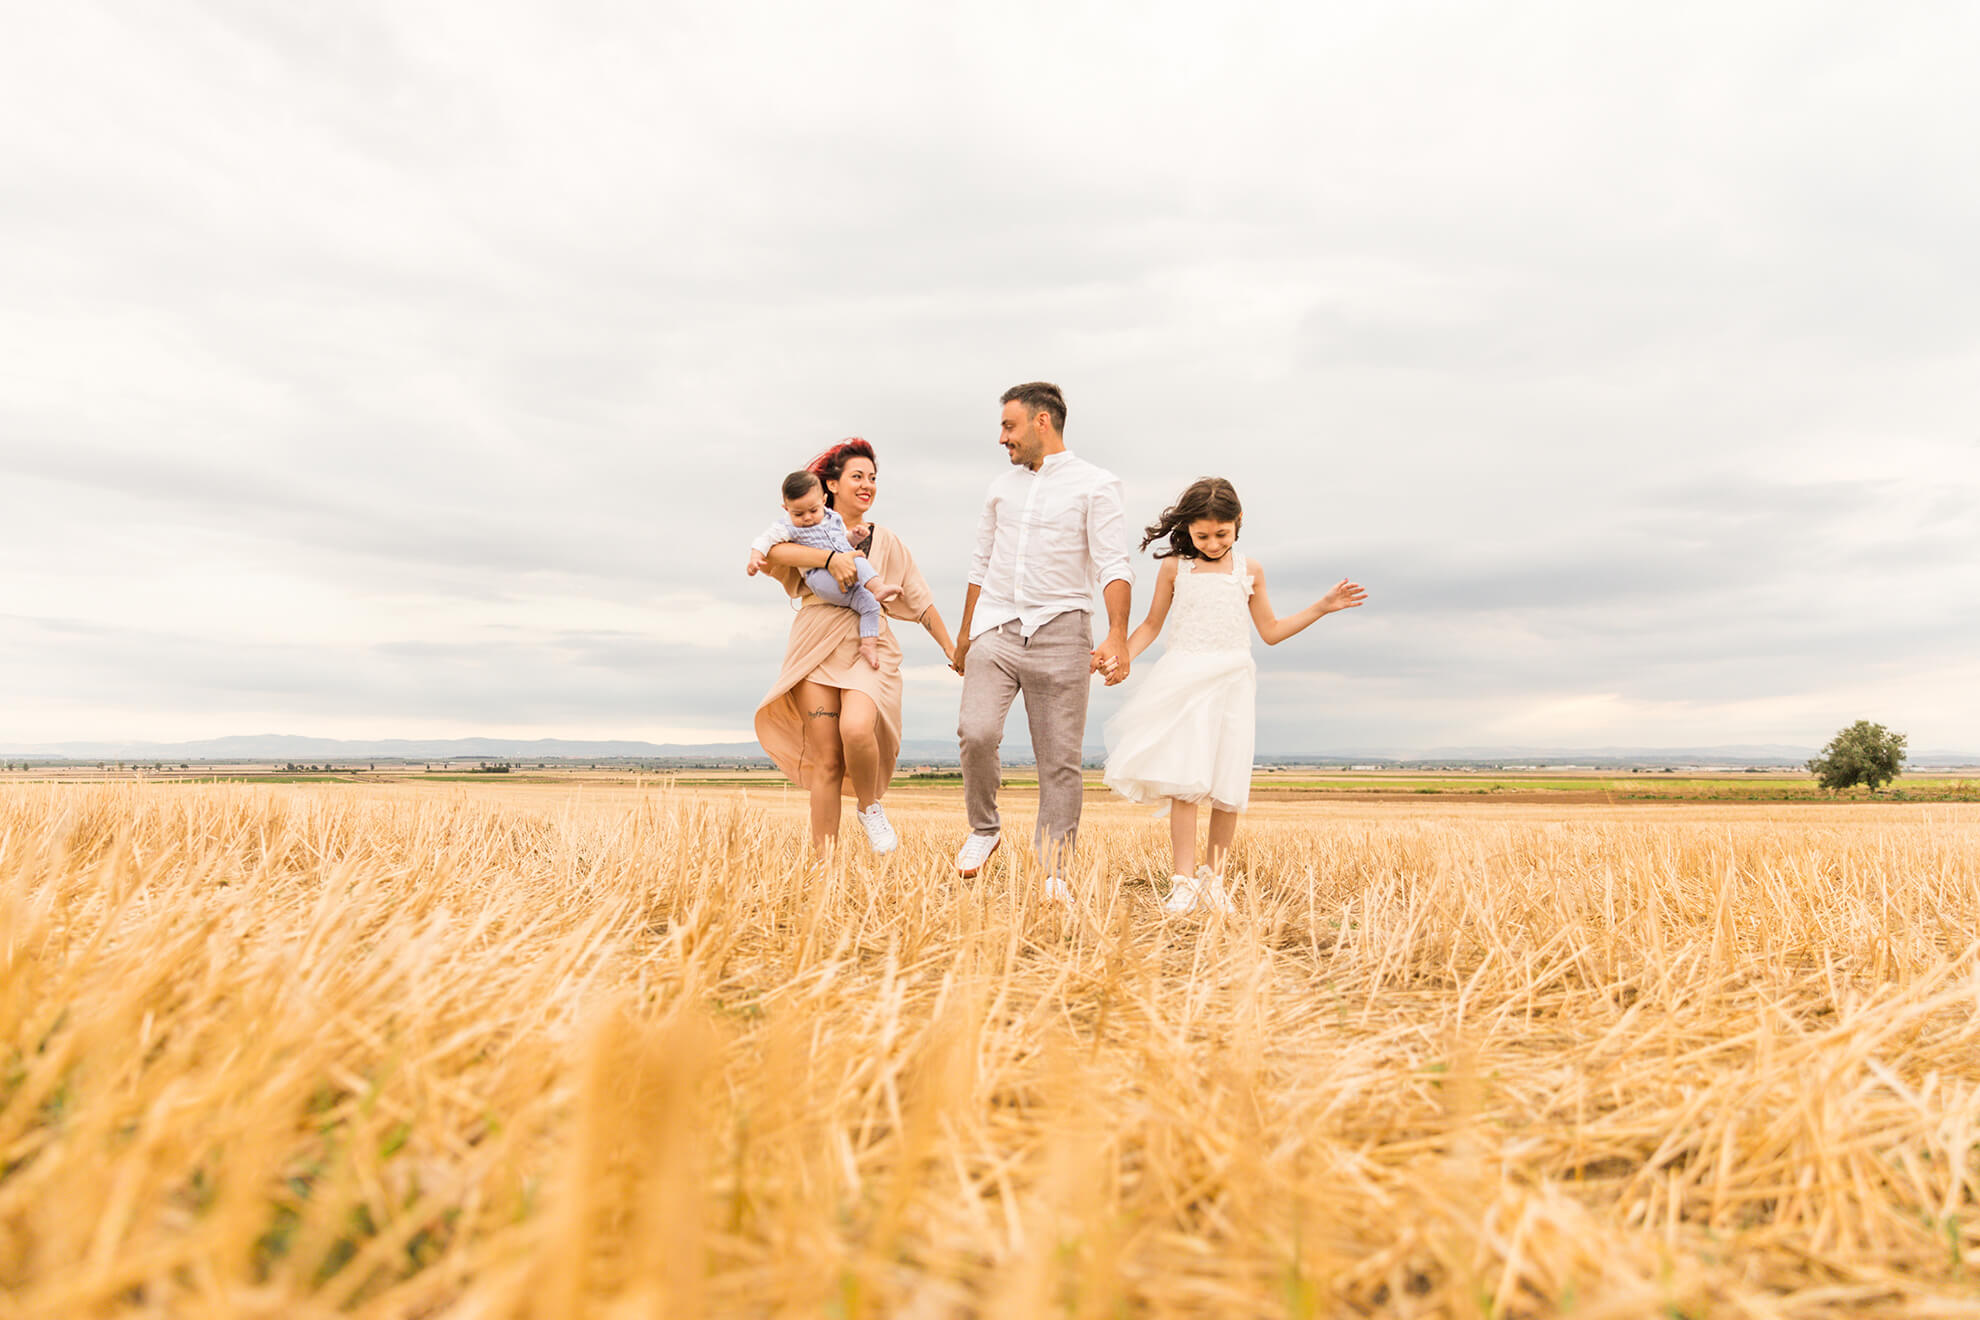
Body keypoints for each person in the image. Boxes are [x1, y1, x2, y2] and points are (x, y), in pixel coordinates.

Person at [1101, 477, 1366, 915]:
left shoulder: (1251, 571)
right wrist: (1120, 656)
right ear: (1186, 529)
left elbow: (1271, 632)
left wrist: (1321, 607)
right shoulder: (1175, 569)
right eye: (1200, 535)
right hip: (1184, 678)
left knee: (1227, 785)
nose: (1210, 543)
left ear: (1237, 523)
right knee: (1184, 782)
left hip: (1233, 682)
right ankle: (1183, 881)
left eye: (1220, 534)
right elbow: (1150, 626)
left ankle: (1214, 881)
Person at [951, 382, 1133, 899]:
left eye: (1009, 426)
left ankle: (1054, 873)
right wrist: (966, 634)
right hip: (997, 627)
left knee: (1059, 761)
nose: (1002, 438)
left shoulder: (1097, 485)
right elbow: (980, 563)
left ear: (1042, 422)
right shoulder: (999, 488)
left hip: (1063, 632)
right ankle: (984, 830)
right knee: (976, 731)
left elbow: (1114, 564)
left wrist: (1118, 634)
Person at [753, 439, 958, 853]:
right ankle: (822, 862)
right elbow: (773, 551)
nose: (867, 485)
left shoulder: (885, 540)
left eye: (872, 478)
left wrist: (952, 651)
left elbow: (920, 602)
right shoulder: (802, 528)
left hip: (868, 642)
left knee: (856, 727)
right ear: (831, 484)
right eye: (857, 477)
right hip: (815, 645)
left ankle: (870, 807)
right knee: (826, 758)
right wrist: (829, 559)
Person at [749, 470, 901, 670]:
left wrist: (854, 537)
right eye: (798, 514)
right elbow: (764, 540)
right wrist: (755, 558)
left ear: (823, 500)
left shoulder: (833, 518)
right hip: (820, 577)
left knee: (870, 601)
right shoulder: (785, 527)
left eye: (813, 510)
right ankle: (866, 591)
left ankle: (868, 643)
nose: (807, 518)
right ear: (786, 509)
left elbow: (841, 541)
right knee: (856, 571)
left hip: (847, 564)